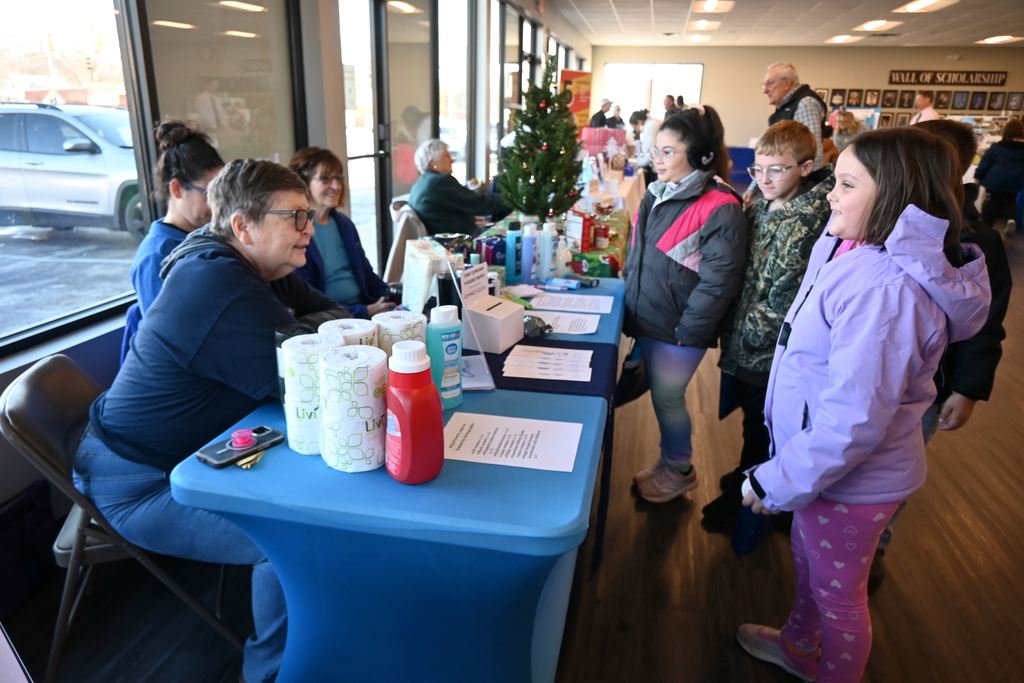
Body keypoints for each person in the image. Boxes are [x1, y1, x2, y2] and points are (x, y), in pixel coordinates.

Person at [73, 159, 351, 683]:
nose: (309, 229)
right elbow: (311, 377)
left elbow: (336, 317)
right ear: (242, 225)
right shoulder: (217, 284)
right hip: (138, 482)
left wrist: (300, 331)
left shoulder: (260, 270)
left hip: (198, 453)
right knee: (289, 539)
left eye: (309, 215)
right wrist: (302, 335)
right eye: (295, 216)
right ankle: (270, 673)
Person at [736, 128, 991, 682]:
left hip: (852, 478)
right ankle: (800, 646)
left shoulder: (885, 290)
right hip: (826, 470)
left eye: (846, 184)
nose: (830, 193)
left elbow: (855, 418)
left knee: (838, 596)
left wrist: (779, 479)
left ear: (897, 197)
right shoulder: (852, 246)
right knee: (810, 568)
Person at [866, 118, 1015, 588]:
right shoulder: (877, 227)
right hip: (869, 379)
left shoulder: (976, 243)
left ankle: (875, 546)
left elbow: (986, 326)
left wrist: (968, 389)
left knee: (891, 473)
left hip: (928, 389)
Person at [705, 120, 834, 532]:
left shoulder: (807, 223)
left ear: (806, 167)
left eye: (777, 169)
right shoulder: (760, 200)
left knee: (767, 426)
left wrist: (741, 331)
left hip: (772, 349)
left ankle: (757, 505)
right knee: (752, 420)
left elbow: (783, 301)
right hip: (745, 339)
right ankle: (750, 479)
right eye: (758, 169)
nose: (763, 178)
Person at [623, 106, 749, 503]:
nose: (656, 160)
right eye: (655, 151)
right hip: (651, 318)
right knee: (659, 396)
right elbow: (637, 254)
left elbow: (718, 283)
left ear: (700, 158)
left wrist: (688, 333)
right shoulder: (656, 192)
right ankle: (669, 461)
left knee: (668, 398)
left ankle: (679, 470)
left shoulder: (721, 206)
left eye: (667, 152)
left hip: (679, 329)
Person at [121, 119, 224, 362]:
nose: (218, 204)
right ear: (176, 189)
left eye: (222, 193)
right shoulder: (156, 256)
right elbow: (173, 342)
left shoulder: (208, 237)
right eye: (209, 194)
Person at [289, 147, 395, 319]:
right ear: (303, 183)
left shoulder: (344, 224)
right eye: (325, 179)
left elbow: (366, 272)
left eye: (339, 178)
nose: (336, 186)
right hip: (330, 319)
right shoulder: (297, 231)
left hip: (363, 307)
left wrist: (390, 297)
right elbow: (306, 301)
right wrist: (363, 312)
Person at [408, 138, 510, 236]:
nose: (452, 160)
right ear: (433, 163)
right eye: (447, 156)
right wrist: (512, 199)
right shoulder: (440, 181)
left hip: (441, 238)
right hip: (461, 240)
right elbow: (479, 204)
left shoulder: (420, 184)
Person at [762, 63, 827, 171]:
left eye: (770, 83)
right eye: (764, 85)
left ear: (786, 83)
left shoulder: (805, 104)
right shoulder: (784, 107)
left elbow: (813, 153)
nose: (765, 90)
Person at [974, 118, 1024, 232]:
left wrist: (977, 178)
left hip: (995, 180)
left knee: (992, 202)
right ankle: (1011, 219)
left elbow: (985, 163)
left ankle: (987, 226)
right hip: (1015, 181)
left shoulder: (998, 147)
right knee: (1010, 201)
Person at [629, 108, 660, 187]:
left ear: (639, 122)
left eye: (635, 127)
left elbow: (652, 151)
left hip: (656, 165)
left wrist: (639, 163)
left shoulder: (650, 127)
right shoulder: (651, 123)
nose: (635, 130)